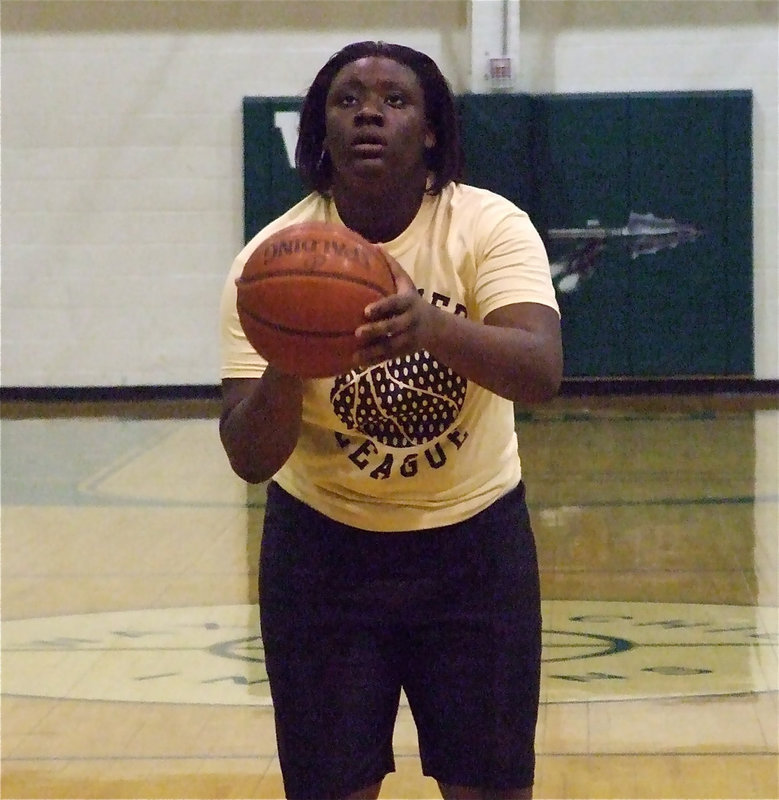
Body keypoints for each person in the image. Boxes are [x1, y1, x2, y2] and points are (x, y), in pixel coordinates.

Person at [219, 40, 563, 800]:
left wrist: (429, 328)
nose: (369, 112)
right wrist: (291, 347)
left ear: (432, 129)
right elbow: (248, 455)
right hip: (322, 556)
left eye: (394, 99)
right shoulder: (267, 264)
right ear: (320, 131)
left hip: (475, 548)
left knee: (494, 788)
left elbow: (540, 371)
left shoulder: (486, 226)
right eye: (347, 100)